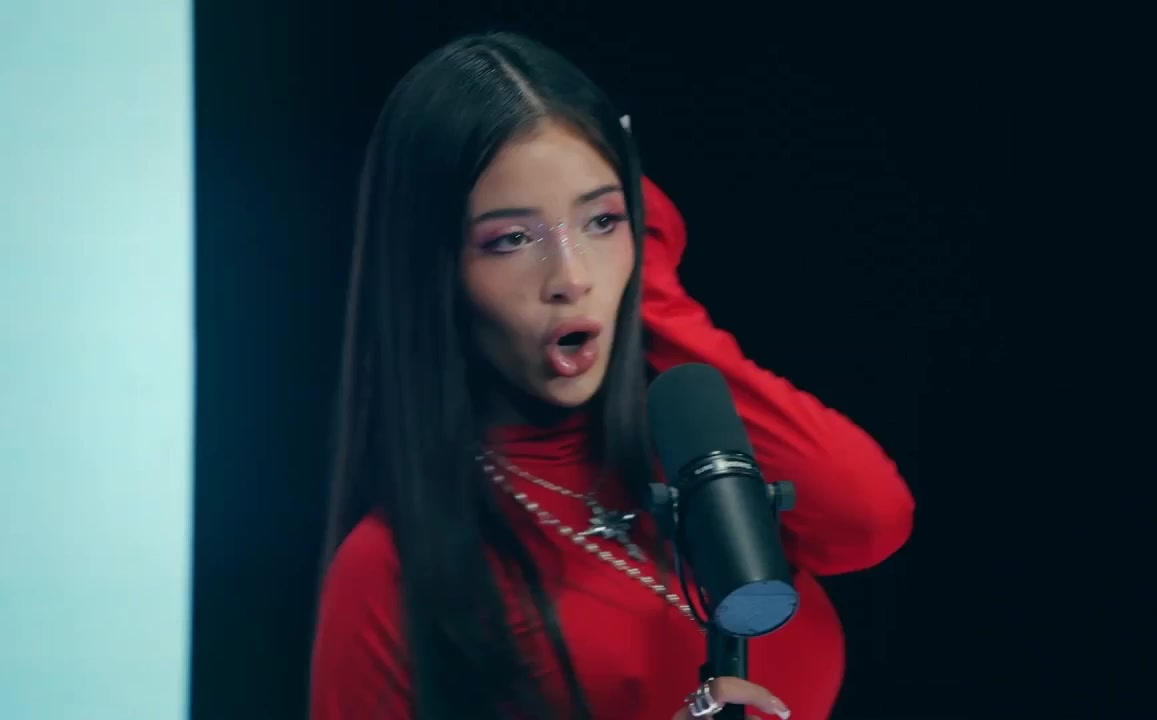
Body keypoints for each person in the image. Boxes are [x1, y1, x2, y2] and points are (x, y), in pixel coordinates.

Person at [309, 31, 915, 720]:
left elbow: (866, 518)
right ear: (433, 269)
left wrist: (644, 292)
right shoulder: (388, 575)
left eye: (602, 221)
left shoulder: (689, 461)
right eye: (511, 239)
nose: (572, 277)